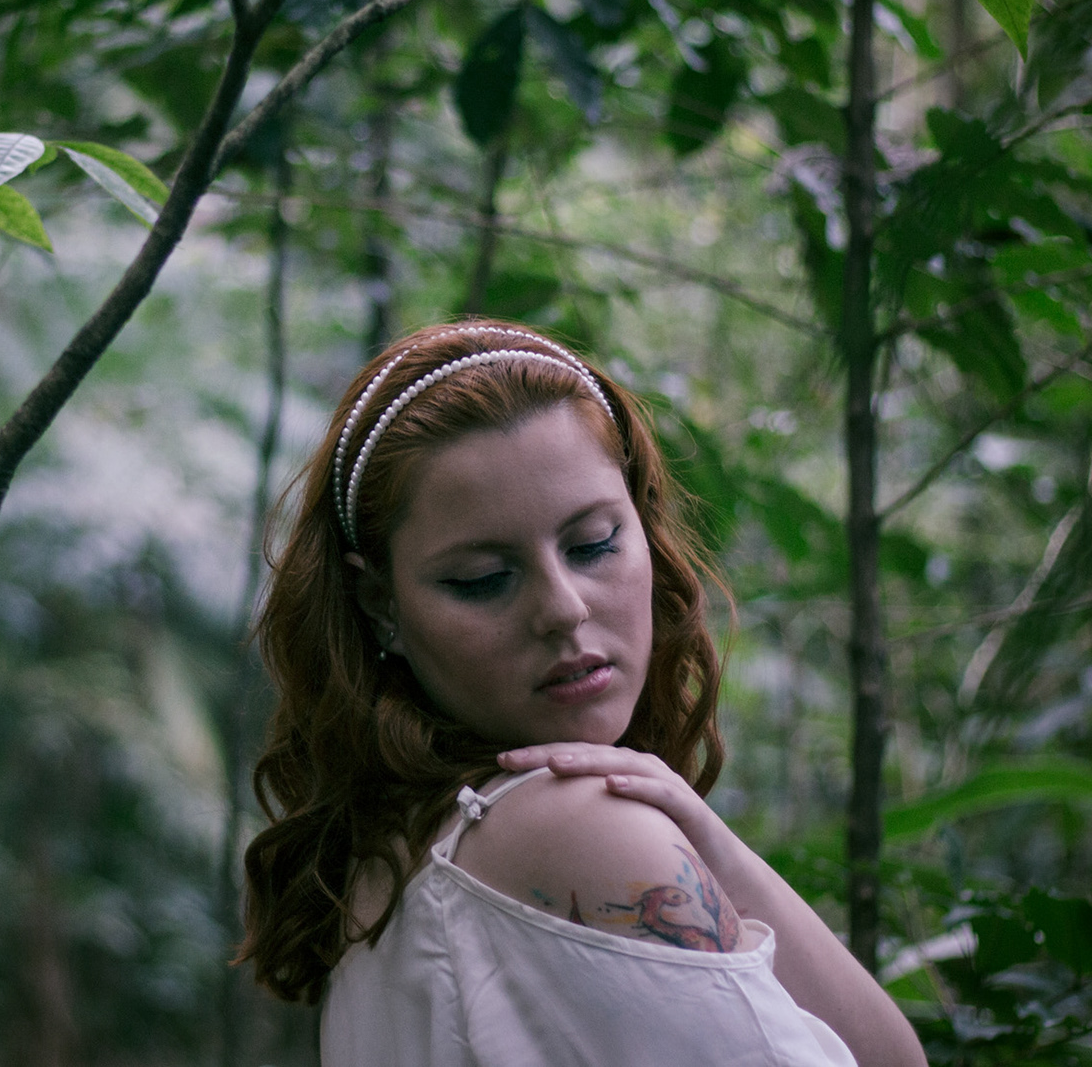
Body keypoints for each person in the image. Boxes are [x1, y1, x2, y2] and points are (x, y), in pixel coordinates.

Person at [237, 321, 925, 1066]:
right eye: (482, 580)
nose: (563, 608)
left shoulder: (384, 845)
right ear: (380, 606)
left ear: (644, 524)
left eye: (593, 542)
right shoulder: (578, 824)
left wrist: (715, 848)